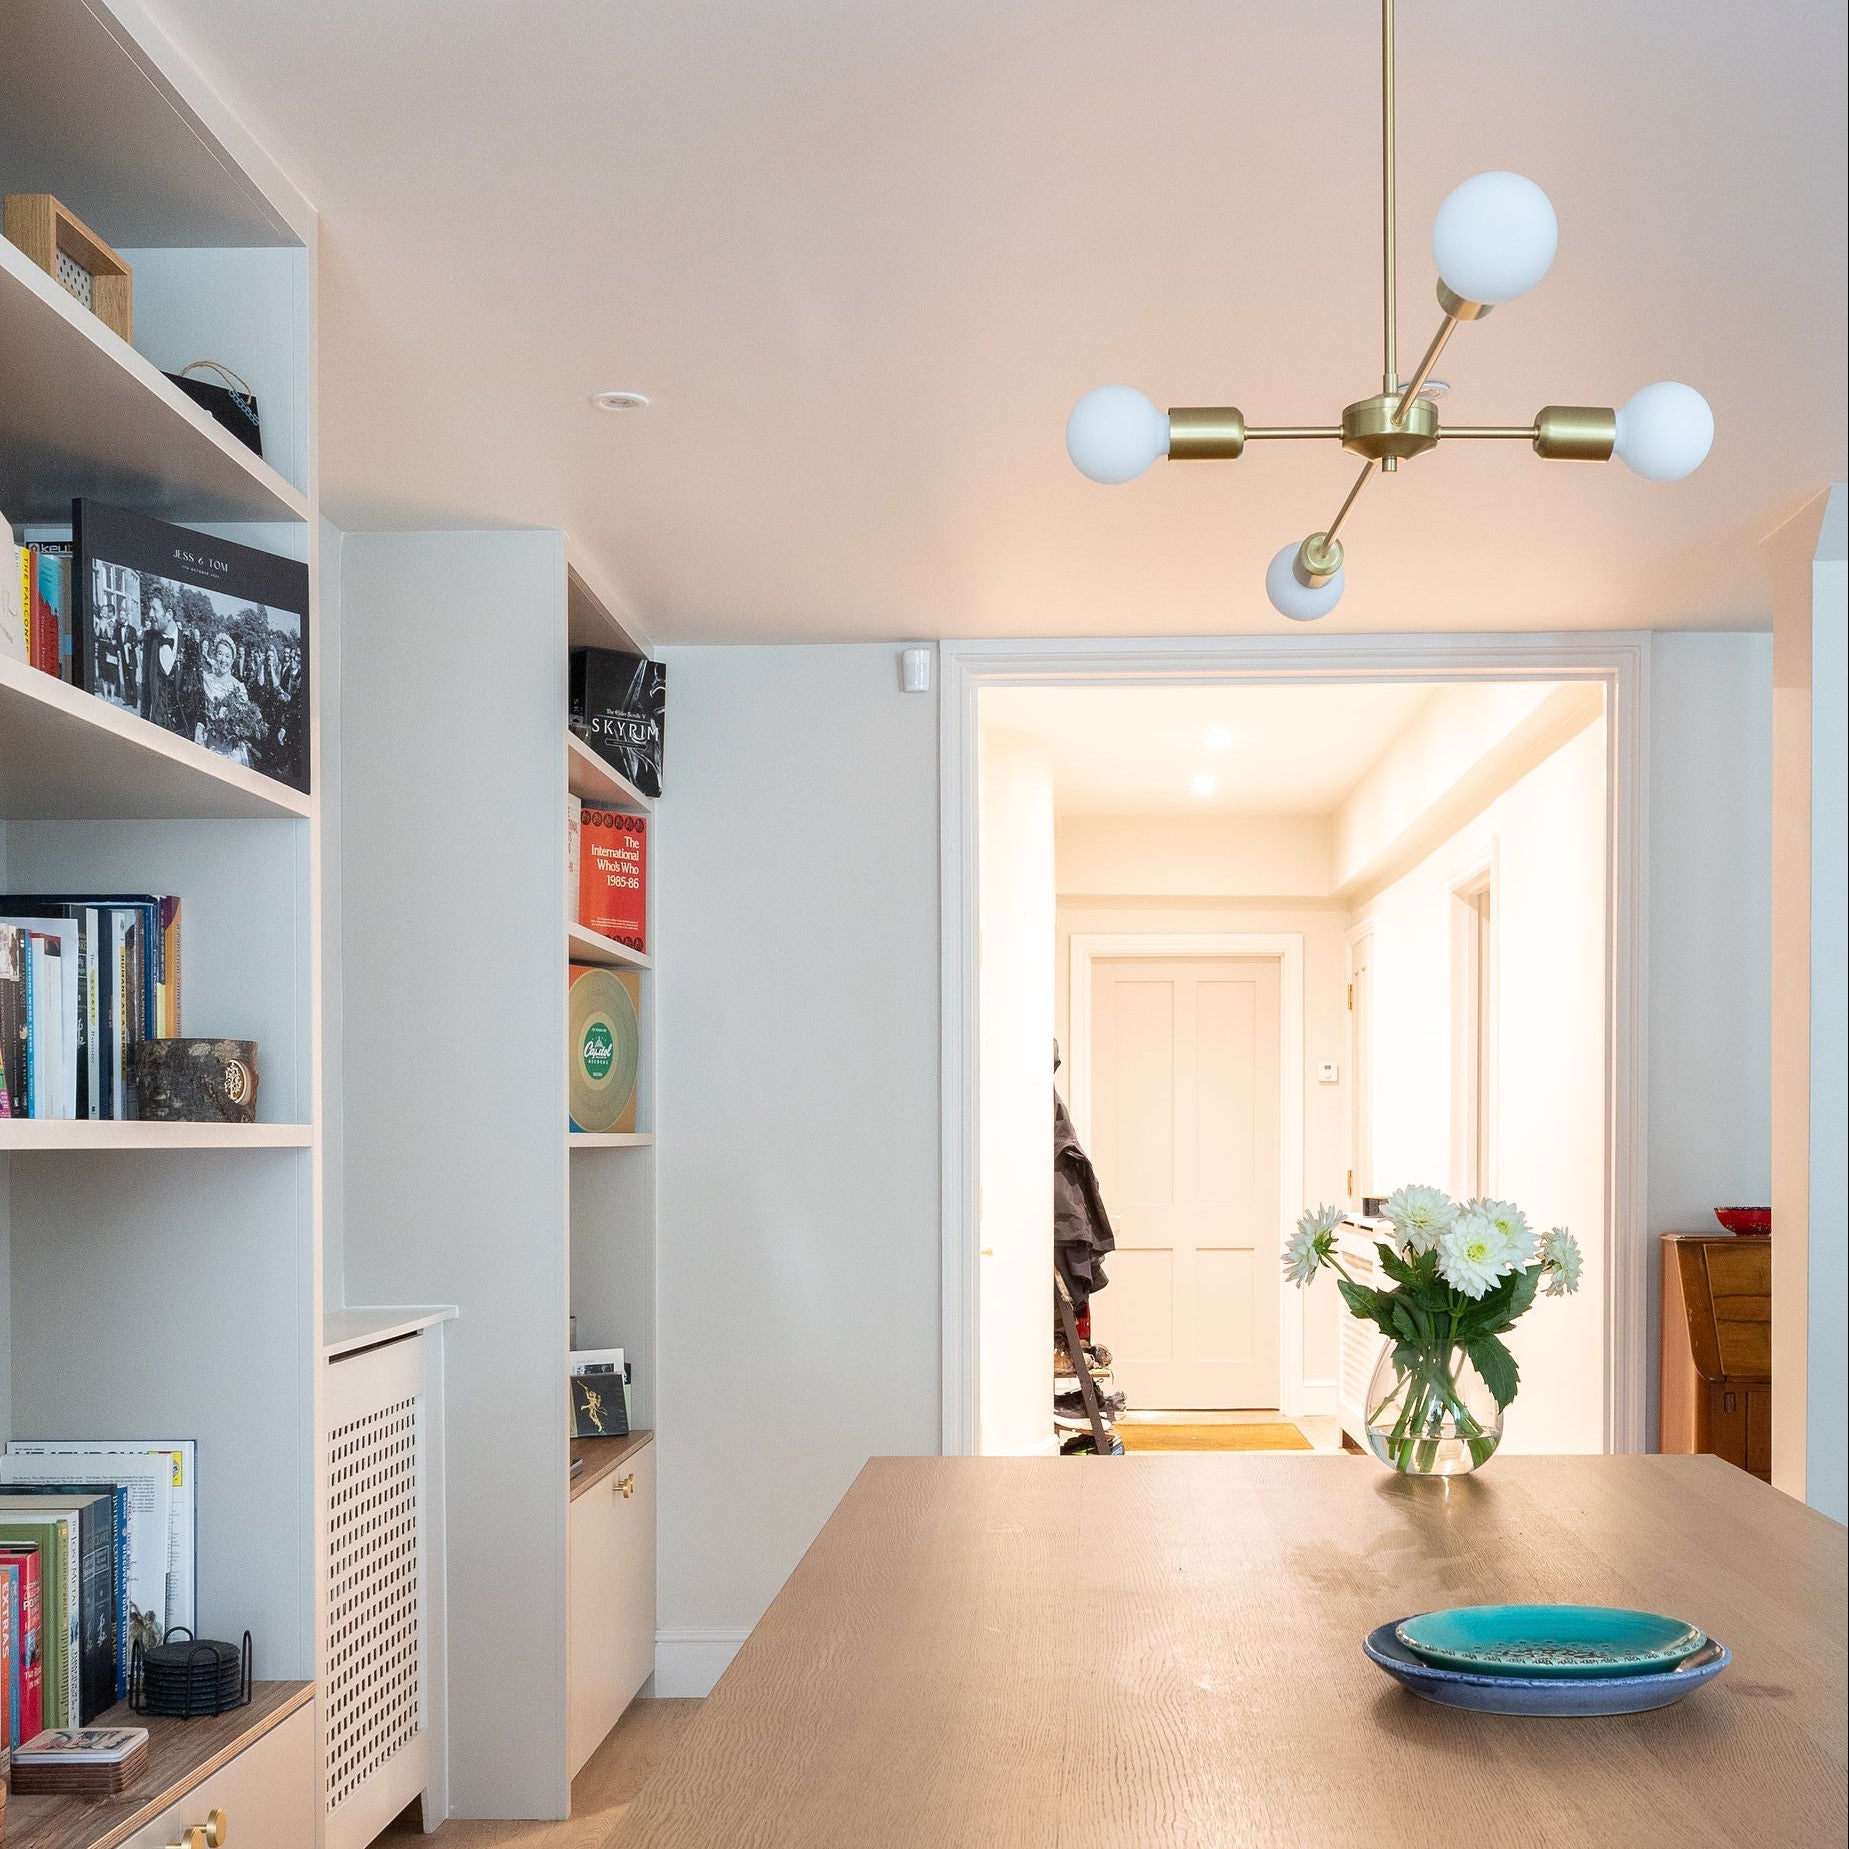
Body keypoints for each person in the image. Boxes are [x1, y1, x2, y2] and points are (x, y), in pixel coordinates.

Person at [196, 631, 268, 766]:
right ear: (214, 654)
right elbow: (200, 713)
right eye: (220, 654)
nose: (223, 659)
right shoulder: (206, 680)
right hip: (211, 741)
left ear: (232, 659)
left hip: (232, 748)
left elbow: (245, 721)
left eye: (227, 656)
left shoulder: (238, 687)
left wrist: (234, 729)